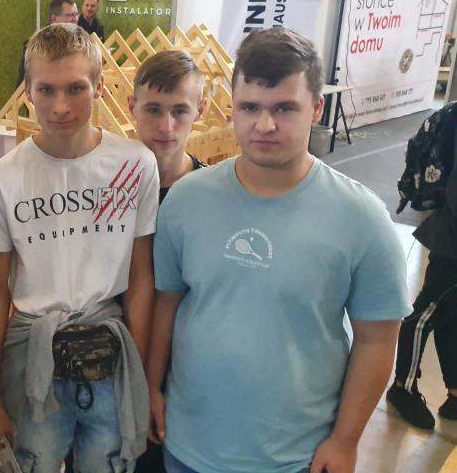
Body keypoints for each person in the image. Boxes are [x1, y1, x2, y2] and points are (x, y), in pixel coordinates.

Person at [148, 27, 411, 473]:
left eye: (284, 108)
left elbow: (377, 339)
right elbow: (166, 304)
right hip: (186, 446)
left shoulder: (362, 218)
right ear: (232, 106)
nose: (264, 125)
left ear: (317, 108)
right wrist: (152, 388)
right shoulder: (186, 200)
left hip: (295, 458)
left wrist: (345, 441)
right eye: (250, 107)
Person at [0, 23, 159, 473]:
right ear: (28, 91)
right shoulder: (2, 179)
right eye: (46, 90)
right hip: (32, 358)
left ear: (99, 86)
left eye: (75, 88)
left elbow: (140, 277)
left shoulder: (135, 165)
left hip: (111, 356)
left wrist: (138, 377)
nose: (60, 106)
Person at [386, 113, 457, 430]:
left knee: (450, 316)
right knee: (424, 315)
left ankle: (455, 392)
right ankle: (402, 386)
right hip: (452, 243)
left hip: (449, 237)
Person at [128, 50, 207, 203]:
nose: (166, 128)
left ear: (200, 110)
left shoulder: (213, 192)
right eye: (154, 110)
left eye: (179, 111)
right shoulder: (105, 186)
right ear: (132, 107)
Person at [16, 0, 80, 85]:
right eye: (70, 15)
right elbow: (23, 85)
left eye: (76, 14)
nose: (76, 19)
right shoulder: (36, 46)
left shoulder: (79, 44)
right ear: (54, 19)